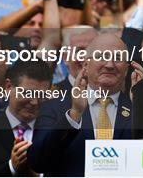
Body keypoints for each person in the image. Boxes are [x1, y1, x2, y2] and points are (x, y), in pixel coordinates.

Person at [28, 33, 135, 176]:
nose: (110, 65)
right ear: (86, 65)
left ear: (127, 69)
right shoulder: (56, 107)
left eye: (117, 58)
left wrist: (140, 107)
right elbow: (37, 162)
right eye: (101, 57)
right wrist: (74, 115)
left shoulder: (137, 108)